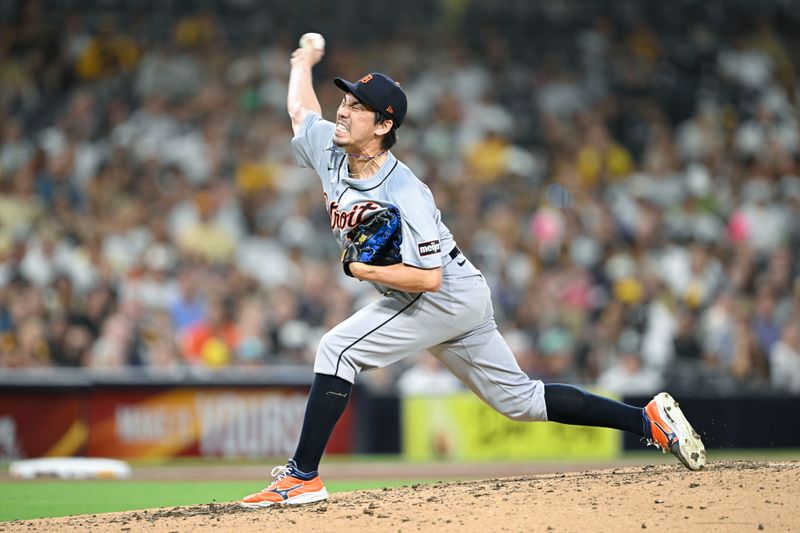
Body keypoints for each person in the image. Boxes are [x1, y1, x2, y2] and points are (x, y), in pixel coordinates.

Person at [240, 40, 706, 508]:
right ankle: (647, 421)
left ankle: (302, 477)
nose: (342, 112)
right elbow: (301, 111)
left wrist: (360, 267)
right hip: (451, 296)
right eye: (344, 101)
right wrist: (301, 65)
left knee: (337, 348)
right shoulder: (328, 146)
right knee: (521, 402)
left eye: (357, 108)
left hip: (439, 294)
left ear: (384, 125)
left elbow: (429, 280)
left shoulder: (406, 191)